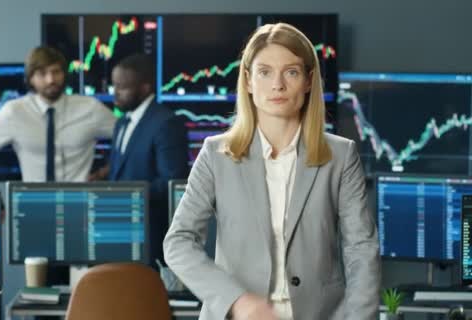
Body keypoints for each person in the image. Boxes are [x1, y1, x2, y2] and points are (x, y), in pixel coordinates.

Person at [163, 23, 380, 320]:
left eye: (290, 72)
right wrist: (237, 301)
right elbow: (178, 243)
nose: (277, 85)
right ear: (249, 81)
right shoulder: (216, 155)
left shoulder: (340, 156)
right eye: (265, 72)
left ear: (308, 80)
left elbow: (361, 250)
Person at [0, 46, 116, 187]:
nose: (50, 80)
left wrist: (105, 173)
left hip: (79, 201)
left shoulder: (89, 108)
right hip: (32, 202)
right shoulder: (14, 111)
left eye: (56, 72)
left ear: (64, 74)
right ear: (30, 78)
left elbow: (131, 139)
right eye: (42, 74)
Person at [109, 53, 189, 264]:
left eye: (122, 87)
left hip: (151, 235)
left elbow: (172, 182)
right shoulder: (121, 122)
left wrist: (127, 196)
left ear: (144, 88)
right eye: (114, 86)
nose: (115, 94)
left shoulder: (166, 123)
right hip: (121, 233)